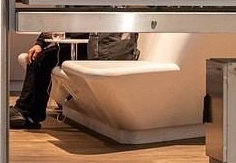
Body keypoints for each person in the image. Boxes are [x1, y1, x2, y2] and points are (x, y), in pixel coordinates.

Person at [10, 32, 139, 129]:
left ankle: (27, 111)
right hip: (87, 45)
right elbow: (61, 22)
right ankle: (26, 111)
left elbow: (70, 23)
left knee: (42, 60)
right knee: (40, 59)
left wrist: (44, 41)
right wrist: (40, 43)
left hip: (93, 49)